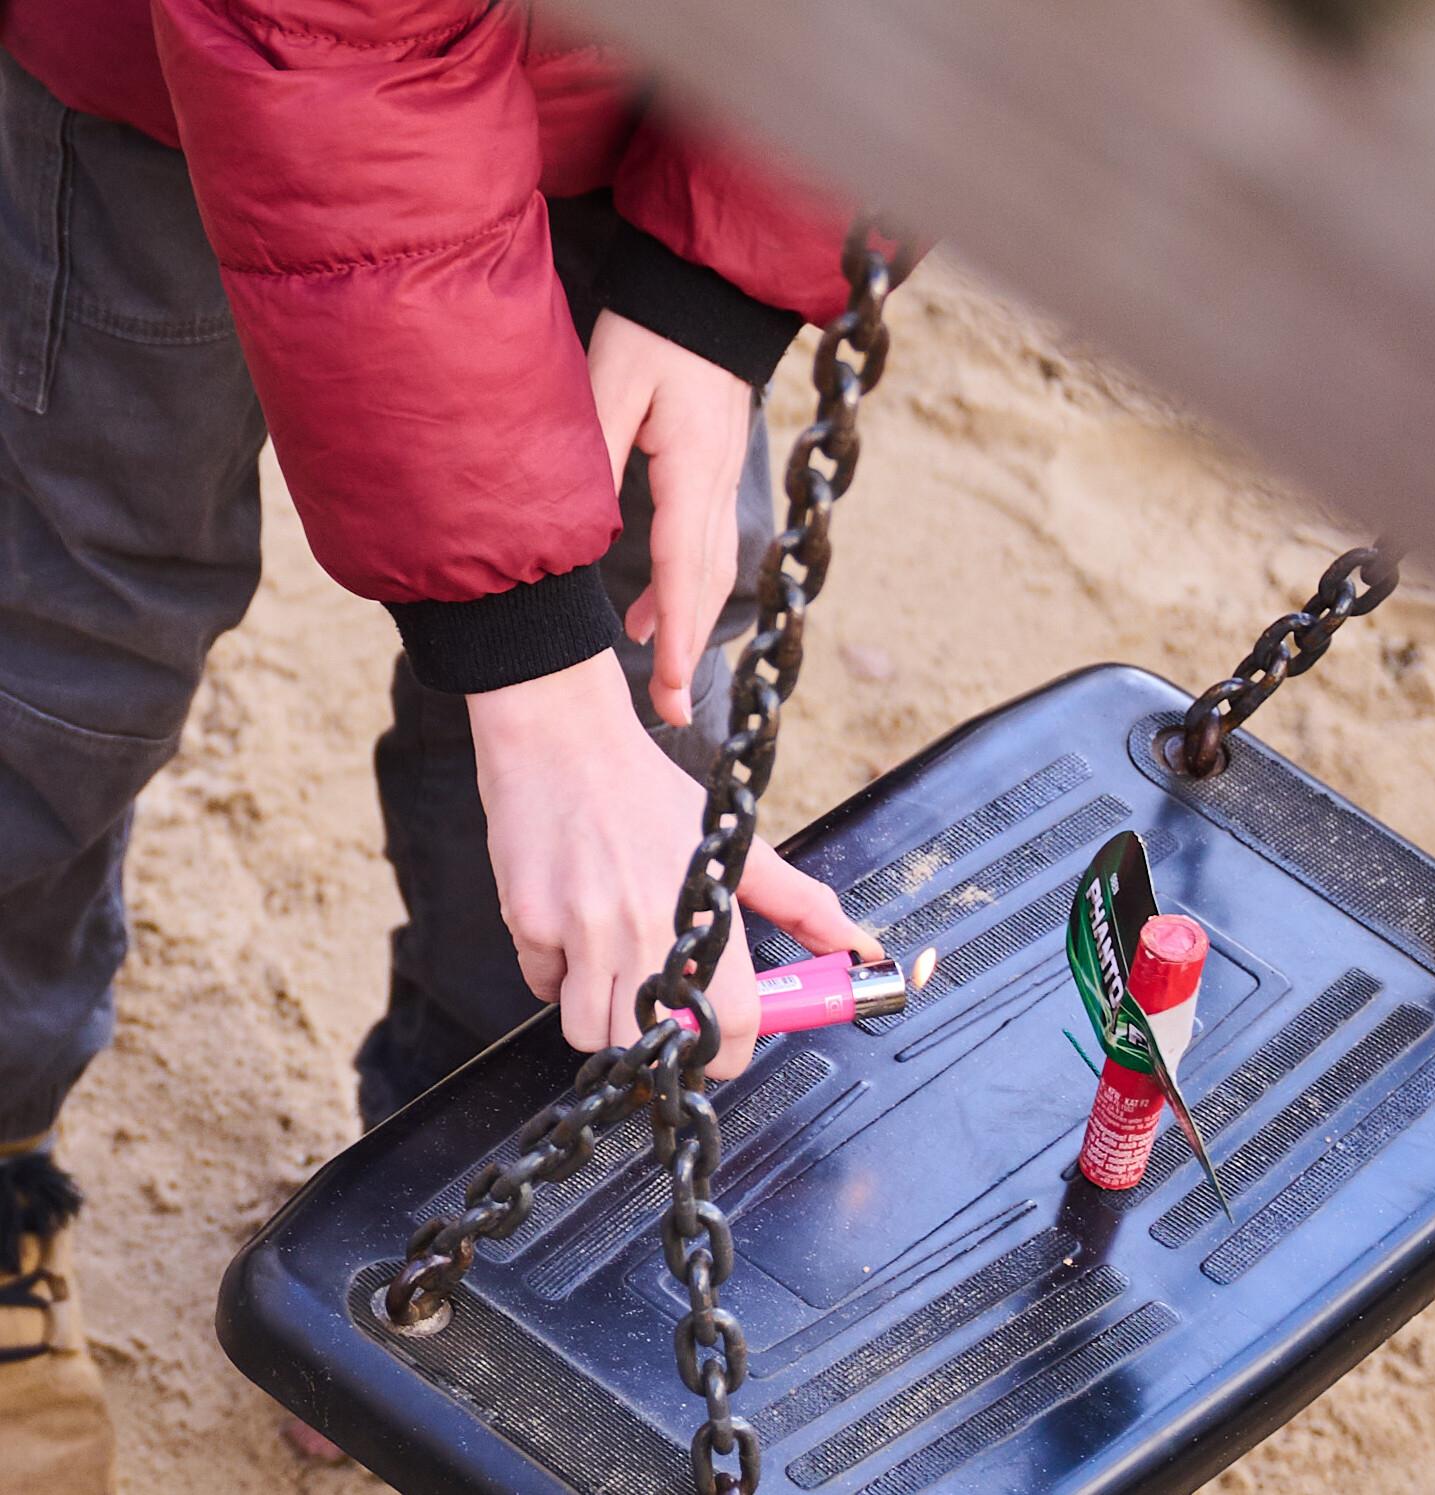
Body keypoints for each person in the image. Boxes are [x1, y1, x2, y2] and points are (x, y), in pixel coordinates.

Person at [0, 4, 888, 1486]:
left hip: (673, 89)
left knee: (640, 727)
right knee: (63, 646)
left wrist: (724, 263)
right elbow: (313, 37)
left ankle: (468, 1216)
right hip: (168, 80)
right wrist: (530, 665)